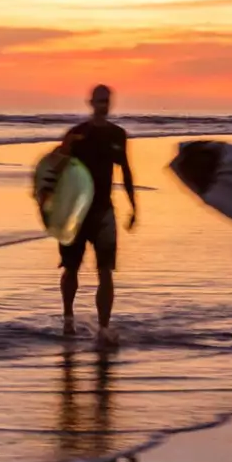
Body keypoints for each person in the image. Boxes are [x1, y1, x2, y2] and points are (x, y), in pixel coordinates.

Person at [55, 84, 137, 347]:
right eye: (99, 100)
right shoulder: (77, 134)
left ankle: (103, 327)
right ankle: (68, 318)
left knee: (106, 270)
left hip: (104, 211)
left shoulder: (117, 134)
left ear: (110, 103)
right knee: (71, 267)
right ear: (90, 102)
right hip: (76, 212)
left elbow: (125, 170)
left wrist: (134, 206)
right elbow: (56, 169)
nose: (103, 104)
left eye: (106, 101)